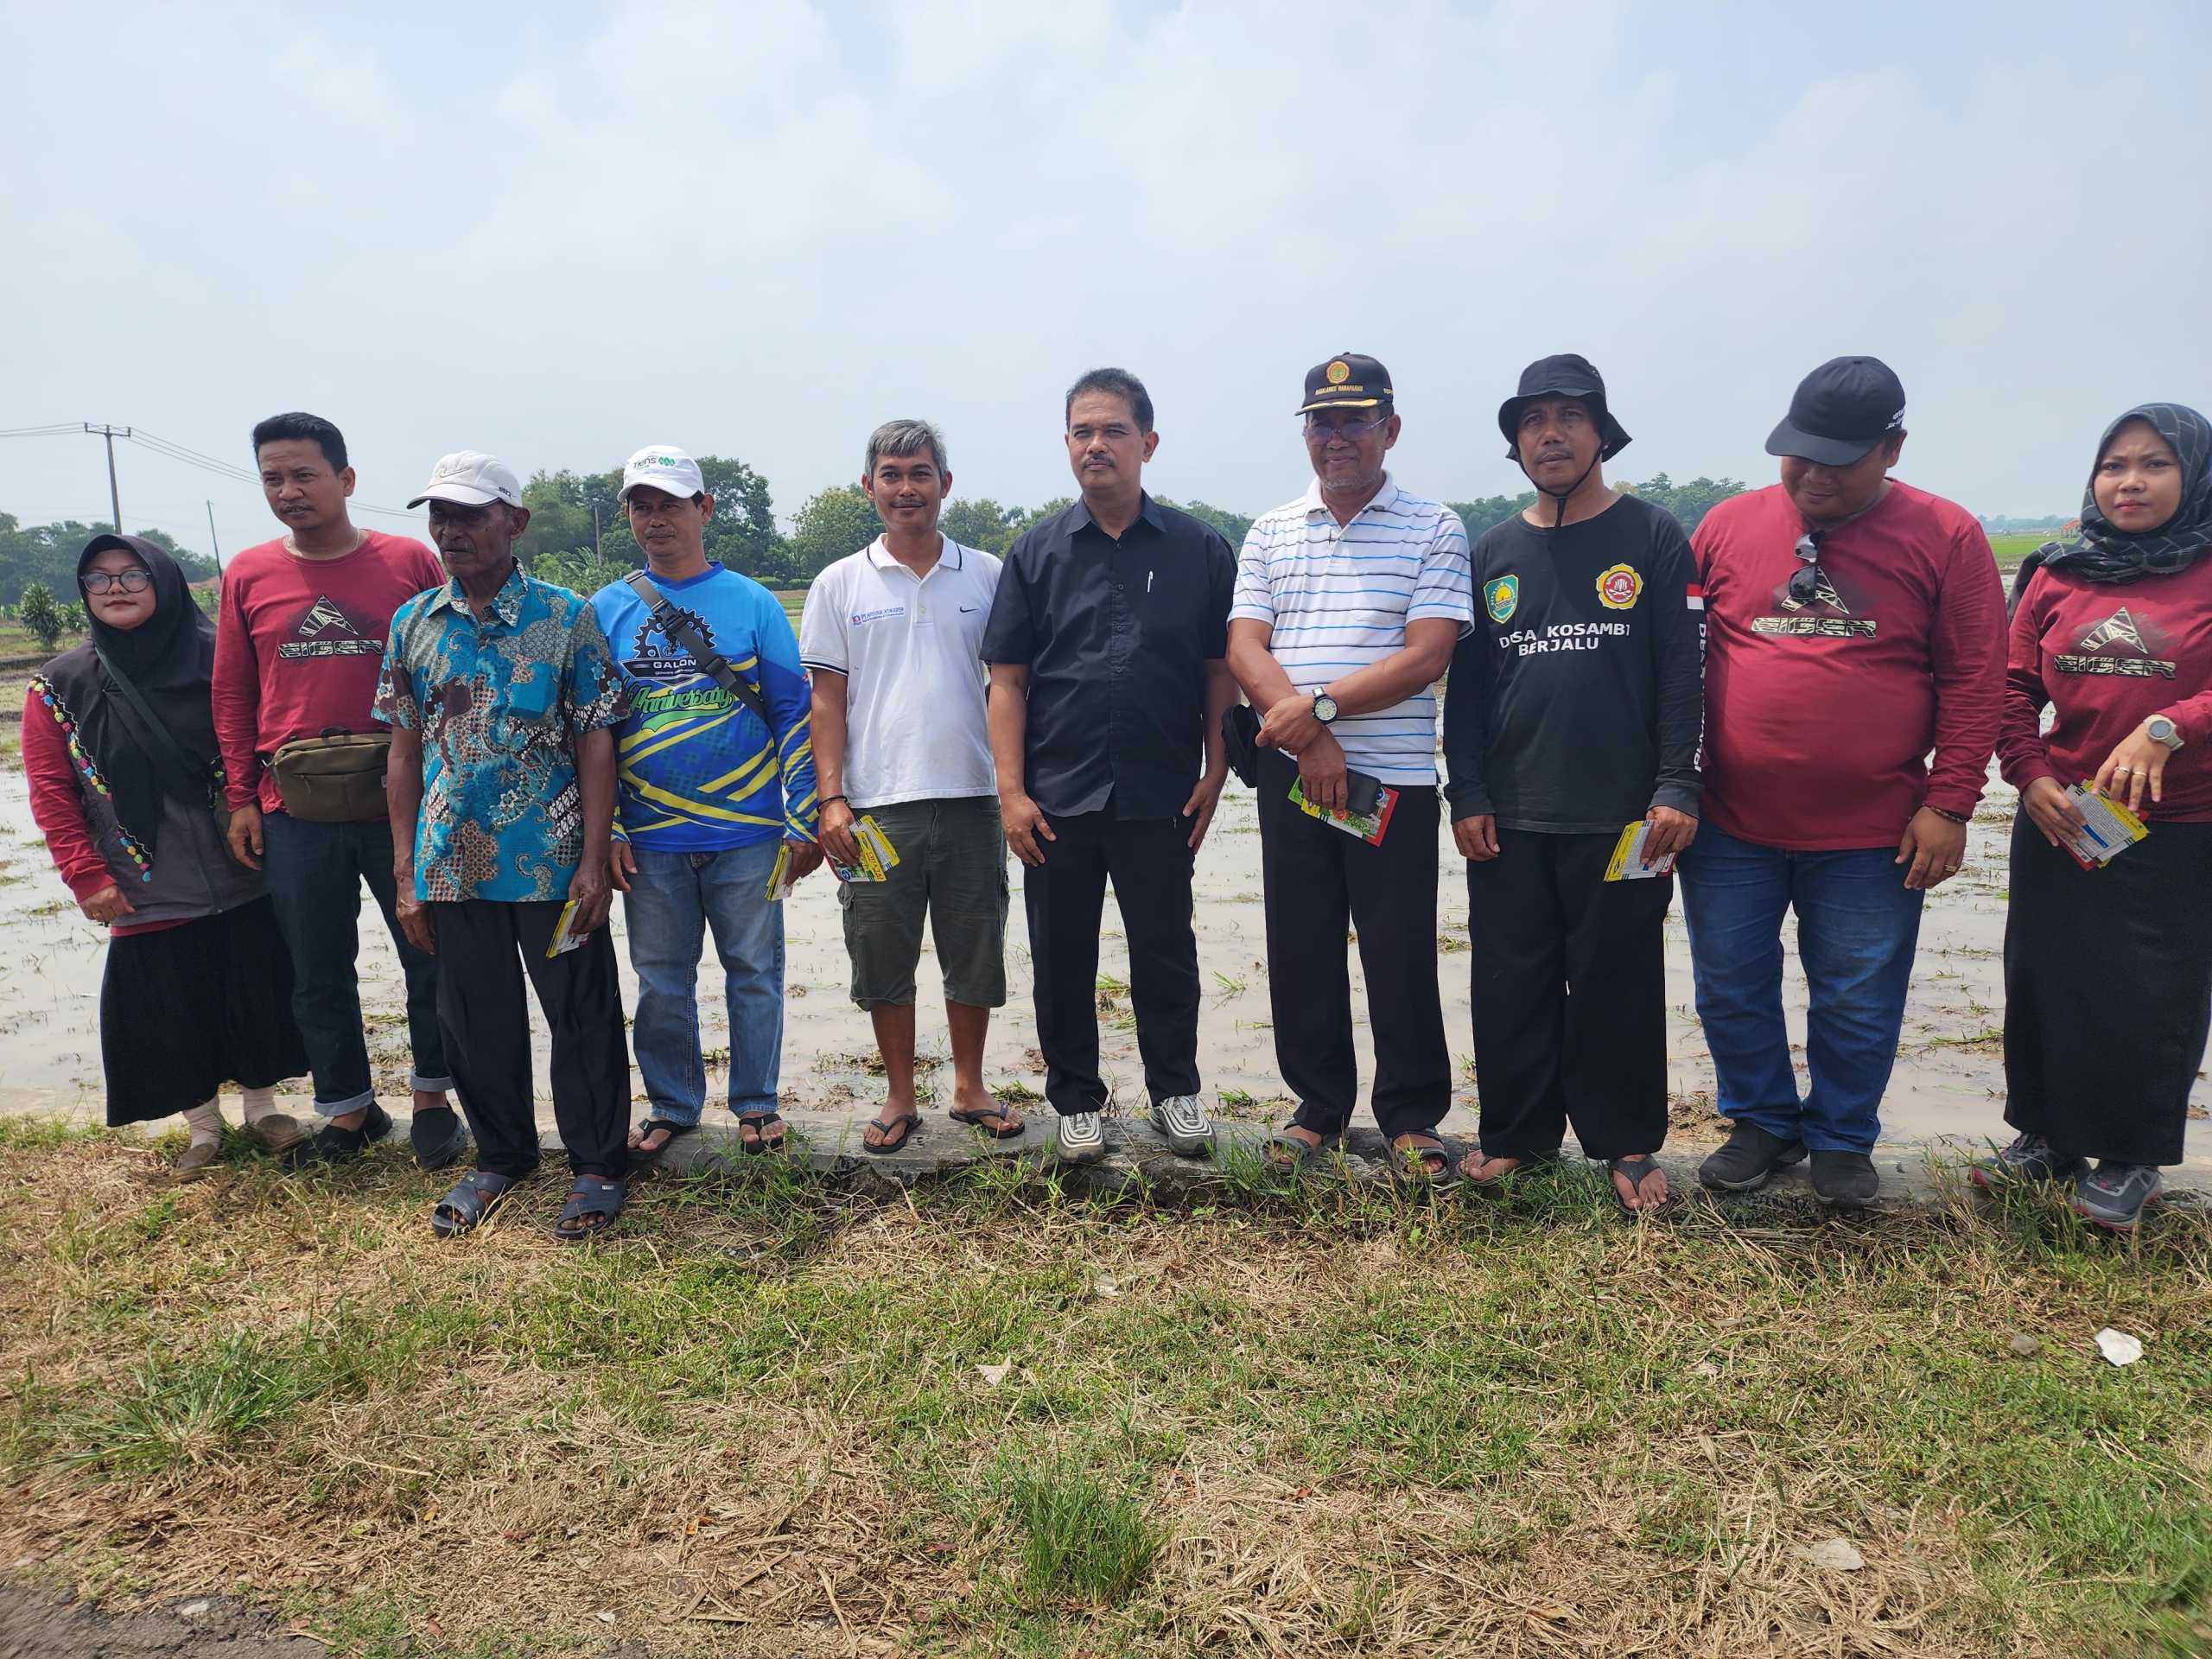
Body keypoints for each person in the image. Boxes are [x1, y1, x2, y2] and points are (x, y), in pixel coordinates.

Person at [1681, 357, 2005, 1206]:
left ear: (1892, 449)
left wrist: (1949, 803)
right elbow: (1672, 666)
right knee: (1728, 985)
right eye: (1798, 455)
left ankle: (1839, 1137)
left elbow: (1976, 679)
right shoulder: (1722, 527)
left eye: (1839, 459)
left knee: (1858, 996)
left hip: (1873, 830)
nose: (1813, 475)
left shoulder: (1947, 536)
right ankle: (1761, 1123)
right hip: (1728, 822)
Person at [1443, 355, 1701, 1211]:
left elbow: (1680, 673)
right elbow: (1469, 691)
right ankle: (1516, 1134)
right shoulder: (1493, 552)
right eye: (1530, 421)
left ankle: (1625, 1141)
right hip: (1511, 814)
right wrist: (1467, 794)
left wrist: (1675, 785)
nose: (1547, 433)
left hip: (1627, 815)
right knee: (1509, 976)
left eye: (1566, 417)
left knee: (1617, 974)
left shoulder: (1653, 536)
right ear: (1516, 445)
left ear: (1599, 432)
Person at [982, 368, 1237, 1164]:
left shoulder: (1198, 548)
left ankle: (1176, 1093)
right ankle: (1076, 1101)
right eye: (1082, 432)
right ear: (1067, 446)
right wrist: (1012, 792)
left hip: (1162, 790)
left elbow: (1217, 673)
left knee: (1167, 948)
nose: (1097, 445)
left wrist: (1217, 768)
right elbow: (1008, 681)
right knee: (1062, 953)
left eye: (1114, 431)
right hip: (1057, 796)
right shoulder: (1034, 553)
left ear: (1147, 444)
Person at [376, 452, 632, 1241]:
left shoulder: (566, 616)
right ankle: (501, 1155)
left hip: (552, 857)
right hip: (452, 859)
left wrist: (594, 858)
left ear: (515, 522)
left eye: (470, 515)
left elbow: (596, 744)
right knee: (472, 1015)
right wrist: (406, 871)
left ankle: (595, 1165)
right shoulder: (415, 622)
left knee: (581, 1016)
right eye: (439, 517)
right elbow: (404, 752)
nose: (451, 531)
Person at [1226, 353, 1470, 1180]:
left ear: (1389, 430)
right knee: (1301, 943)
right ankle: (1319, 1106)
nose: (1337, 438)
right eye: (1321, 423)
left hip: (1392, 782)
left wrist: (1319, 707)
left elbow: (1428, 654)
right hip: (1296, 778)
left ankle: (1409, 1112)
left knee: (1399, 946)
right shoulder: (1269, 531)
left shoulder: (1434, 527)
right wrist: (1311, 738)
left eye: (1354, 421)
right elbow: (1244, 648)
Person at [212, 412, 461, 1172]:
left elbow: (452, 665)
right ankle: (349, 1110)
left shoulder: (409, 561)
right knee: (318, 966)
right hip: (297, 810)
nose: (288, 492)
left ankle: (432, 1098)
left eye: (304, 475)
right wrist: (243, 796)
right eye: (272, 479)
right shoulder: (248, 575)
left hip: (405, 798)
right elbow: (233, 691)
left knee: (432, 953)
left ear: (346, 480)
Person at [1983, 403, 2212, 1230]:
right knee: (2044, 976)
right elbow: (2010, 686)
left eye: (2154, 464)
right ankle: (2045, 1137)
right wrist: (2029, 770)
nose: (2131, 482)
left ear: (2193, 474)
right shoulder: (2058, 570)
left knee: (2152, 993)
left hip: (2179, 824)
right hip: (2062, 814)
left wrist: (2172, 726)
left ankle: (2132, 1157)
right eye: (2115, 465)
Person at [25, 535, 308, 1173]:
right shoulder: (60, 685)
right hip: (144, 875)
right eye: (98, 580)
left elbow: (270, 740)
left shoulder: (224, 657)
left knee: (252, 983)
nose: (116, 588)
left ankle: (263, 1109)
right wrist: (85, 874)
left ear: (164, 581)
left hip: (244, 862)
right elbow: (50, 790)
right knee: (168, 996)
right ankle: (202, 1127)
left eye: (132, 575)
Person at [588, 445, 822, 1158]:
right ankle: (672, 1104)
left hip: (749, 833)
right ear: (629, 516)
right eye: (642, 505)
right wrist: (614, 828)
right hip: (650, 841)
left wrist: (803, 814)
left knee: (755, 973)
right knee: (660, 980)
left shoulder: (751, 602)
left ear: (704, 510)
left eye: (670, 503)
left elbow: (792, 711)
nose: (656, 518)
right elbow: (595, 728)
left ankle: (755, 1102)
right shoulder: (606, 609)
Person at [798, 420, 1017, 1153]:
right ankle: (898, 1094)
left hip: (971, 797)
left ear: (945, 485)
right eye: (890, 475)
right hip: (875, 807)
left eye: (920, 473)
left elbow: (1011, 687)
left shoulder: (986, 574)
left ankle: (969, 1085)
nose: (906, 489)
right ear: (869, 488)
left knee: (975, 943)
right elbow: (826, 699)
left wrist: (1014, 786)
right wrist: (832, 799)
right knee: (880, 948)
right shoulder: (840, 583)